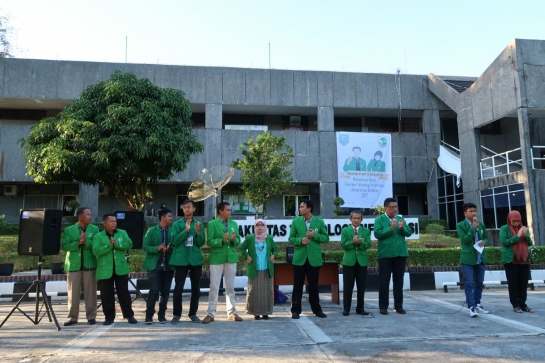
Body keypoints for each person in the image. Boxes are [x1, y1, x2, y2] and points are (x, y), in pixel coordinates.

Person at [92, 214, 137, 325]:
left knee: (124, 293)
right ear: (105, 223)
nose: (114, 223)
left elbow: (129, 244)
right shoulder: (98, 236)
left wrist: (116, 244)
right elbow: (96, 251)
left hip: (120, 268)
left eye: (115, 221)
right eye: (111, 221)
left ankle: (129, 315)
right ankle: (109, 317)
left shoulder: (122, 232)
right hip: (105, 269)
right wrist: (108, 245)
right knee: (106, 294)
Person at [289, 199, 329, 319]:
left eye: (302, 207)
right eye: (300, 207)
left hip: (314, 258)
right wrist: (300, 241)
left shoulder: (319, 221)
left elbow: (326, 238)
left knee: (313, 285)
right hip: (299, 257)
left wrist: (314, 235)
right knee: (297, 285)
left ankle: (317, 310)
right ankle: (295, 310)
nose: (299, 209)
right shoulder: (296, 222)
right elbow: (291, 239)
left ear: (309, 208)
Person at [202, 202, 242, 323]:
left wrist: (234, 240)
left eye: (230, 210)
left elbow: (239, 239)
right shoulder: (212, 224)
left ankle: (232, 312)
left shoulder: (234, 223)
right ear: (221, 211)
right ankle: (211, 313)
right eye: (228, 210)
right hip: (217, 258)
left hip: (231, 258)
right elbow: (209, 241)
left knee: (230, 287)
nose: (230, 212)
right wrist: (222, 241)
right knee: (214, 286)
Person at [61, 207, 100, 326]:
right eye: (88, 214)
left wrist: (87, 242)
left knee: (91, 292)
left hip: (89, 264)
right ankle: (73, 317)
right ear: (80, 216)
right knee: (73, 292)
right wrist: (78, 243)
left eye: (91, 214)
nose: (90, 216)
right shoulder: (69, 230)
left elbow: (98, 244)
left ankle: (91, 316)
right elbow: (65, 246)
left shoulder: (94, 229)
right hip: (73, 265)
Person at [374, 197, 413, 315]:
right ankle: (383, 306)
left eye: (396, 207)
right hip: (385, 254)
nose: (394, 209)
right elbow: (377, 234)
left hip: (400, 254)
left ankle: (398, 306)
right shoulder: (379, 220)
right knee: (384, 282)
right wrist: (390, 229)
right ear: (386, 208)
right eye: (392, 207)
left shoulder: (400, 218)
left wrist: (401, 228)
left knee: (398, 281)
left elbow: (409, 232)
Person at [170, 200, 205, 324]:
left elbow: (201, 242)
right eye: (184, 207)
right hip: (181, 260)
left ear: (194, 209)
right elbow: (174, 241)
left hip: (195, 259)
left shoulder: (199, 224)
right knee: (178, 288)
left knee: (196, 288)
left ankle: (193, 313)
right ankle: (176, 314)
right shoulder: (176, 224)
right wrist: (185, 231)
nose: (186, 209)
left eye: (188, 207)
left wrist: (198, 234)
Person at [240, 219, 279, 320]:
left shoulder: (269, 238)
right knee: (254, 291)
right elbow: (242, 248)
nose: (260, 227)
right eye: (258, 225)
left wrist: (274, 255)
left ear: (265, 227)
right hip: (254, 269)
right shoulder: (250, 238)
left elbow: (275, 249)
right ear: (255, 227)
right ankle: (255, 313)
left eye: (262, 225)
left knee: (266, 292)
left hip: (266, 268)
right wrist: (247, 256)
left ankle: (265, 313)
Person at [142, 208, 175, 325]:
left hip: (168, 265)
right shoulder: (151, 231)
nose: (172, 218)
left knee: (165, 292)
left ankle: (162, 315)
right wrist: (157, 248)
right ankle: (149, 315)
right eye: (169, 216)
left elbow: (176, 247)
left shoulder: (172, 231)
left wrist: (170, 249)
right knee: (154, 291)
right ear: (162, 217)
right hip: (154, 266)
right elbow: (145, 247)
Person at [457, 203, 489, 318]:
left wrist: (484, 241)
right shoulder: (460, 225)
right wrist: (473, 228)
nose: (474, 213)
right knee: (469, 283)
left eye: (475, 211)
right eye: (471, 211)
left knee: (479, 283)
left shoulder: (481, 224)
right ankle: (471, 306)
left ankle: (477, 303)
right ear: (465, 213)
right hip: (468, 259)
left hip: (480, 257)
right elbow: (465, 240)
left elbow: (486, 237)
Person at [500, 210, 534, 313]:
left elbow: (530, 243)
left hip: (524, 259)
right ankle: (515, 305)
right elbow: (505, 242)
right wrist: (518, 236)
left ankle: (523, 304)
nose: (516, 223)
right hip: (511, 260)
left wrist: (525, 234)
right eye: (514, 221)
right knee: (513, 283)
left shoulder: (522, 228)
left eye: (518, 221)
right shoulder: (504, 228)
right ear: (509, 220)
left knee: (523, 283)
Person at [340, 210, 371, 316]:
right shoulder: (345, 230)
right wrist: (352, 242)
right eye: (354, 218)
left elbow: (368, 244)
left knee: (361, 286)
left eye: (358, 218)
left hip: (361, 261)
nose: (356, 220)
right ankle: (346, 309)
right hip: (349, 261)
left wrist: (361, 242)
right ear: (350, 219)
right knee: (348, 286)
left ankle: (360, 308)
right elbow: (343, 245)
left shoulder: (366, 231)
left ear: (361, 220)